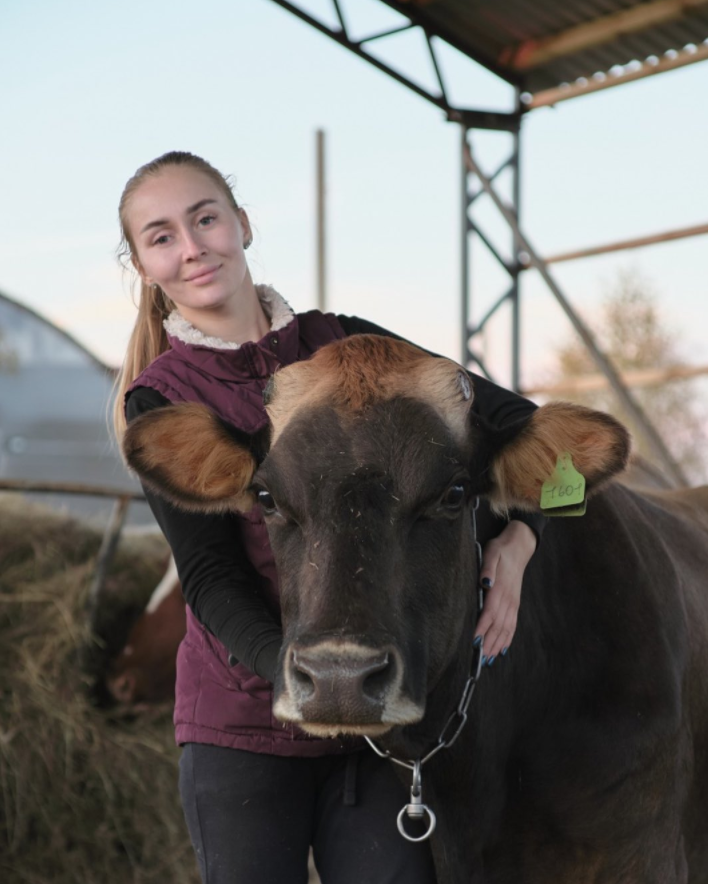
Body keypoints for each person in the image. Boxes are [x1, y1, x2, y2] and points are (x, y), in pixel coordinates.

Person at [113, 151, 543, 884]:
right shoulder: (161, 400)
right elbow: (211, 577)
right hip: (244, 727)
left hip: (381, 721)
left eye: (206, 218)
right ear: (144, 265)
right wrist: (303, 675)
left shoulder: (351, 344)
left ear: (242, 225)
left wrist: (524, 538)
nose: (192, 248)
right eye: (161, 236)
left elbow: (526, 430)